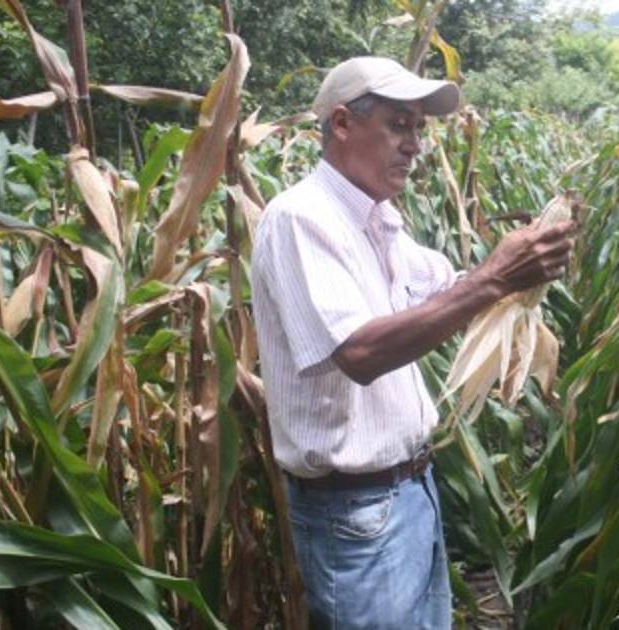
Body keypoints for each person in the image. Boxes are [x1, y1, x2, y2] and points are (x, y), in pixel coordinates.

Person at [249, 56, 575, 629]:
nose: (415, 145)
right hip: (355, 512)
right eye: (399, 125)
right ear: (343, 123)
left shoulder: (380, 223)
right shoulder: (302, 219)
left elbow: (450, 292)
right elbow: (360, 352)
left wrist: (519, 271)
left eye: (419, 129)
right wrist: (495, 277)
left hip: (409, 492)